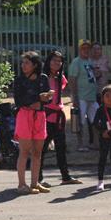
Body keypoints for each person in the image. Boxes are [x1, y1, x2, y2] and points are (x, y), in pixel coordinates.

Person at [13, 51, 54, 195]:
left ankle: (35, 183)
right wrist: (37, 98)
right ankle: (21, 184)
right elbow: (19, 101)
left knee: (37, 152)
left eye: (27, 63)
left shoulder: (43, 78)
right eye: (22, 63)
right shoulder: (19, 80)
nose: (23, 66)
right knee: (24, 151)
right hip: (25, 116)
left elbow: (48, 99)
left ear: (35, 65)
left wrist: (47, 97)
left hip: (40, 116)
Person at [39, 50, 82, 186]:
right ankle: (38, 178)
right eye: (54, 60)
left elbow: (64, 89)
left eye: (59, 61)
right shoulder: (42, 77)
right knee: (42, 149)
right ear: (48, 61)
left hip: (58, 118)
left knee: (61, 147)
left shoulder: (60, 77)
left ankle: (65, 176)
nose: (57, 63)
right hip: (45, 117)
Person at [68, 39, 99, 152]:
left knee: (96, 120)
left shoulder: (90, 61)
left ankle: (96, 143)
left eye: (88, 48)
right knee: (80, 121)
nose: (86, 50)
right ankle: (80, 144)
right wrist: (74, 97)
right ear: (80, 49)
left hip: (91, 97)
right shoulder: (76, 62)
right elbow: (72, 80)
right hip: (81, 97)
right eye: (83, 48)